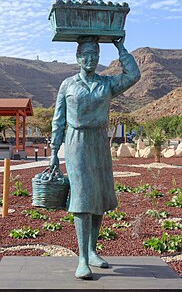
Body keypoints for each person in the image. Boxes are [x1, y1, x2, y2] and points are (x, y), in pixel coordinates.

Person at [50, 34, 140, 280]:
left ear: (99, 58)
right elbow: (58, 120)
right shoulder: (68, 85)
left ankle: (91, 251)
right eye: (85, 55)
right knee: (81, 197)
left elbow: (133, 76)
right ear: (78, 57)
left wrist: (121, 48)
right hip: (76, 143)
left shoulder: (106, 84)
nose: (90, 59)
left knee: (99, 195)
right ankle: (81, 258)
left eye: (94, 55)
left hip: (99, 142)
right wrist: (53, 152)